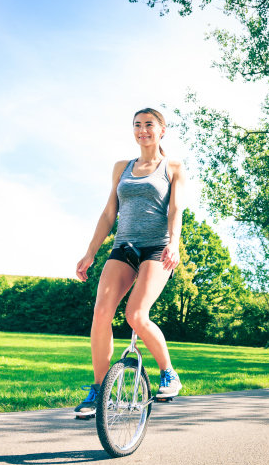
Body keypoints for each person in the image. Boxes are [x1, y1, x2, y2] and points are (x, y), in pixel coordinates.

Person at [73, 107, 185, 417]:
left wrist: (174, 244)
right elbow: (110, 213)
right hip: (124, 246)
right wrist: (90, 252)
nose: (142, 130)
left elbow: (175, 210)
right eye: (137, 125)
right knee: (100, 313)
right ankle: (99, 391)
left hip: (156, 249)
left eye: (149, 124)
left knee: (136, 314)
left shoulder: (173, 167)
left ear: (162, 130)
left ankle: (168, 373)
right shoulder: (121, 167)